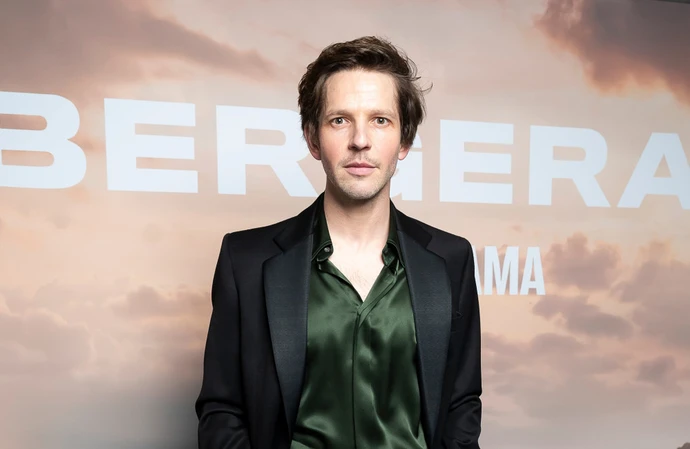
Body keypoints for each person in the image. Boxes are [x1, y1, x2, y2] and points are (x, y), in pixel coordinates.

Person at [195, 35, 482, 449]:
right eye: (340, 120)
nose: (360, 140)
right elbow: (223, 411)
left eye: (380, 120)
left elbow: (460, 405)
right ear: (313, 139)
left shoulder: (451, 259)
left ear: (404, 141)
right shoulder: (246, 261)